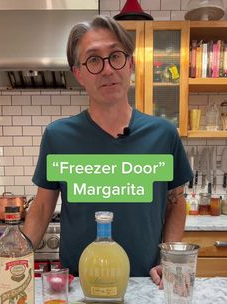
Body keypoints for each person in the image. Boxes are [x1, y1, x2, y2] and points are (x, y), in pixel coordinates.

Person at [23, 15, 193, 285]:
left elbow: (176, 201)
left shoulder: (163, 135)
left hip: (144, 285)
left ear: (131, 64)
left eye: (116, 56)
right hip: (79, 288)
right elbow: (43, 208)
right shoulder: (58, 137)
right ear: (78, 73)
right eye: (93, 60)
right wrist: (15, 261)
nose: (107, 69)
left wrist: (169, 258)